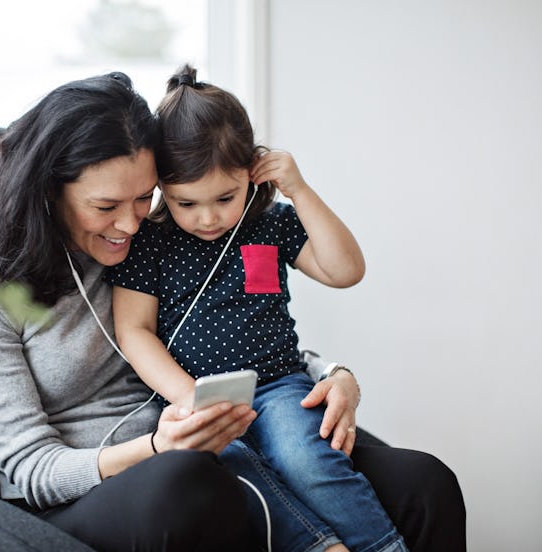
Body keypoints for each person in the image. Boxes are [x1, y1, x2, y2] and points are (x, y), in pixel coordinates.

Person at [0, 70, 466, 552]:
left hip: (210, 428)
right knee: (191, 484)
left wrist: (333, 374)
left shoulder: (149, 240)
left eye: (144, 198)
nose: (130, 223)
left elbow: (234, 325)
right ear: (47, 192)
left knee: (424, 481)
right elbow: (32, 467)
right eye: (106, 207)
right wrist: (156, 446)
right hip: (99, 484)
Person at [107, 64, 406, 552]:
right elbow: (134, 331)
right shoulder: (151, 242)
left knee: (305, 458)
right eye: (186, 203)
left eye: (225, 197)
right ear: (162, 187)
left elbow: (345, 270)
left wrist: (300, 191)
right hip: (195, 398)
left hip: (279, 385)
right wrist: (187, 397)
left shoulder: (268, 223)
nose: (207, 217)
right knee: (237, 473)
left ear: (252, 171)